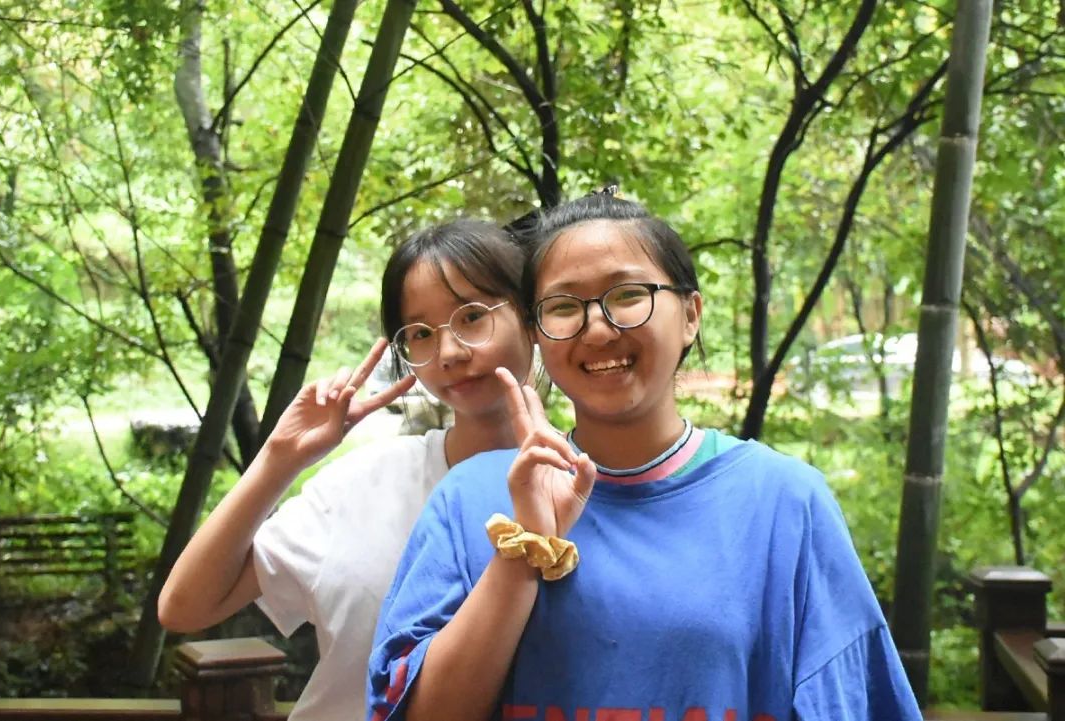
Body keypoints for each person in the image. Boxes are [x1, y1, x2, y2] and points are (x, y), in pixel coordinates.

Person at [368, 193, 921, 721]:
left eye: (628, 295)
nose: (598, 328)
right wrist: (524, 549)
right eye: (563, 307)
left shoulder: (784, 503)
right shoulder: (472, 498)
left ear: (690, 314)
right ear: (537, 334)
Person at [157, 219, 536, 721]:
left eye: (472, 317)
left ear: (534, 316)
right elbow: (185, 608)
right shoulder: (366, 483)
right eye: (421, 333)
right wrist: (280, 458)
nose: (448, 352)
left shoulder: (602, 486)